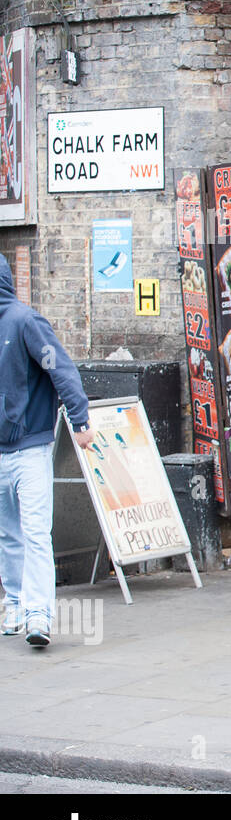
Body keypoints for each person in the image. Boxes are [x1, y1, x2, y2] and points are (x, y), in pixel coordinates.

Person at [0, 253, 94, 647]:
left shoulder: (24, 321)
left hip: (30, 448)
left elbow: (61, 368)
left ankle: (38, 615)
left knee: (35, 532)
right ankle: (17, 604)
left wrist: (81, 419)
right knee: (8, 535)